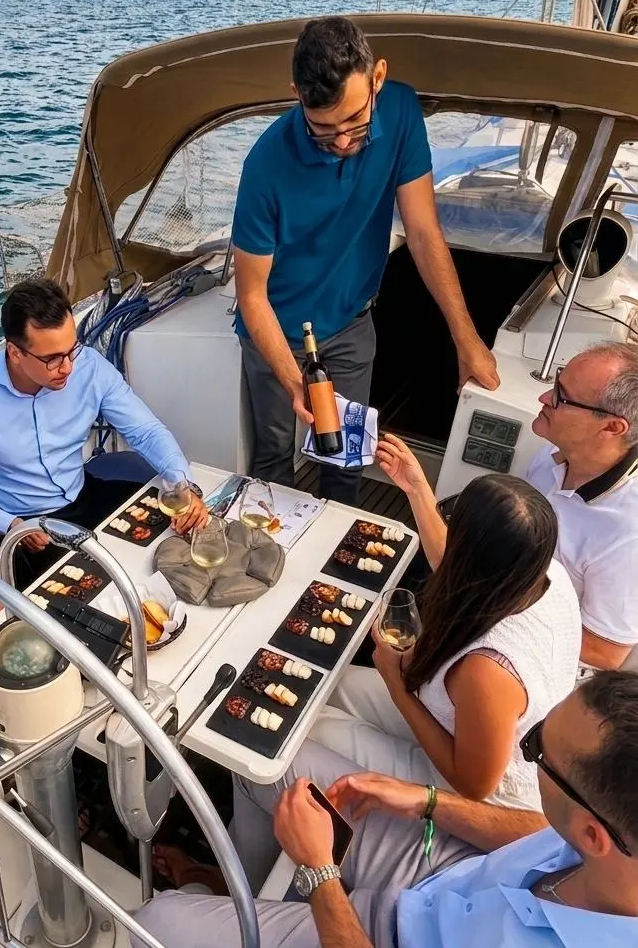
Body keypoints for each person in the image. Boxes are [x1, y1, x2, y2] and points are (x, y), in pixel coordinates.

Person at [134, 670, 638, 948]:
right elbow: (542, 833)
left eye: (536, 751)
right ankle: (236, 888)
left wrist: (319, 874)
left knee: (154, 923)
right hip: (448, 870)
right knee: (268, 764)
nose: (529, 751)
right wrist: (429, 801)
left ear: (594, 835)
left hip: (385, 935)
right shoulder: (608, 835)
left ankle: (209, 893)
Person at [231, 15, 498, 504]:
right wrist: (296, 384)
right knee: (272, 459)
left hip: (353, 322)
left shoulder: (400, 111)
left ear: (378, 78)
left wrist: (467, 338)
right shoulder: (265, 165)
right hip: (277, 329)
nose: (343, 142)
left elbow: (421, 230)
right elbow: (250, 295)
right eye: (323, 129)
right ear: (296, 94)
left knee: (348, 457)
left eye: (355, 122)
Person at [313, 469, 581, 809]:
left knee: (312, 733)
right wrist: (416, 487)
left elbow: (475, 785)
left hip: (477, 789)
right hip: (454, 719)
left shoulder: (488, 670)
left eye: (454, 524)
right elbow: (451, 564)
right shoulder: (545, 575)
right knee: (329, 687)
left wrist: (396, 685)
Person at [0, 278, 207, 585]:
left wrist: (184, 485)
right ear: (14, 352)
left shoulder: (90, 367)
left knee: (166, 550)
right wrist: (9, 524)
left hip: (82, 495)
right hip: (17, 525)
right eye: (51, 359)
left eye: (71, 350)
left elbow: (145, 431)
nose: (67, 368)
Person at [526, 342, 638, 672]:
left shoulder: (628, 533)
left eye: (561, 396)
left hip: (537, 670)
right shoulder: (552, 454)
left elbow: (603, 651)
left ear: (611, 427)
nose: (544, 398)